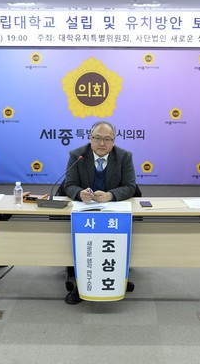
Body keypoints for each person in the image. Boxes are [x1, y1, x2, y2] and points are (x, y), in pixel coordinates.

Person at [61, 121, 138, 304]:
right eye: (97, 138)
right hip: (84, 212)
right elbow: (69, 184)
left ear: (114, 141)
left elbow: (130, 186)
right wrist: (79, 194)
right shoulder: (77, 155)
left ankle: (118, 278)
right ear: (90, 138)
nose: (101, 144)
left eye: (107, 139)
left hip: (113, 212)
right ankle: (80, 283)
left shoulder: (124, 156)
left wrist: (110, 195)